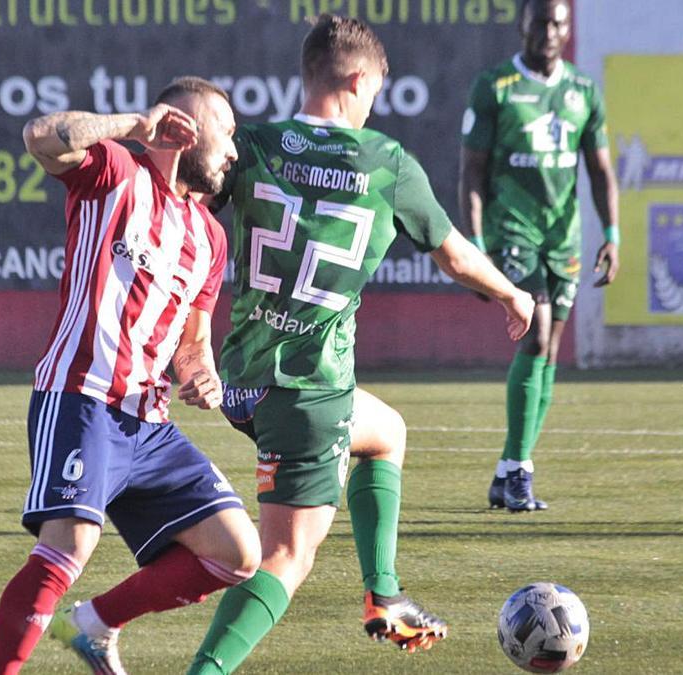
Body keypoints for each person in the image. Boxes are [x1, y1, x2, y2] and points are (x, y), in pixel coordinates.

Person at [187, 15, 535, 674]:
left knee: (387, 430)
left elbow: (188, 209)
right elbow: (457, 256)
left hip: (242, 377)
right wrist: (514, 295)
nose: (375, 102)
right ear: (356, 78)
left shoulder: (255, 145)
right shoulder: (384, 162)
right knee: (286, 557)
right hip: (309, 388)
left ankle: (385, 594)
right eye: (375, 89)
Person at [0, 77, 261, 675]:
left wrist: (202, 373)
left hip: (150, 425)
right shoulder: (116, 172)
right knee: (68, 547)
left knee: (238, 553)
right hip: (82, 396)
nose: (235, 151)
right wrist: (136, 124)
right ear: (186, 126)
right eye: (228, 131)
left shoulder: (209, 237)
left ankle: (97, 624)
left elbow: (194, 343)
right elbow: (40, 137)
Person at [460, 0, 620, 512]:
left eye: (558, 24)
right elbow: (473, 175)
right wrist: (479, 249)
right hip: (514, 232)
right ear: (523, 26)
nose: (548, 32)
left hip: (562, 238)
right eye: (540, 23)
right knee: (536, 335)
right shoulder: (495, 86)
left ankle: (510, 468)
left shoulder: (582, 91)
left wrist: (612, 233)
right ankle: (519, 470)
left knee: (550, 349)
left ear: (567, 30)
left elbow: (598, 170)